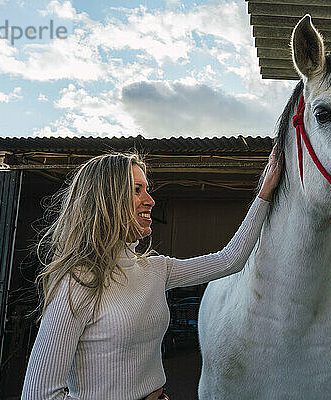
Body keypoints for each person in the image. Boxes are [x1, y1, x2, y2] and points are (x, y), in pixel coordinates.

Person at [21, 147, 282, 400]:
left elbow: (229, 260)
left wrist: (265, 193)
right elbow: (37, 394)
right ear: (107, 199)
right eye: (137, 190)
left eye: (147, 189)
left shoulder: (156, 269)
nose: (150, 200)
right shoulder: (78, 283)